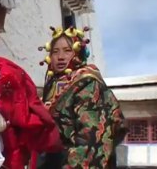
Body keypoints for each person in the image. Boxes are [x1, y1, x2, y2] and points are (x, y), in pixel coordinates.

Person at [37, 26, 128, 169]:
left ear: (79, 52)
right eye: (55, 52)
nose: (60, 57)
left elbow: (92, 139)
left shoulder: (87, 84)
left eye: (67, 51)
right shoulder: (52, 87)